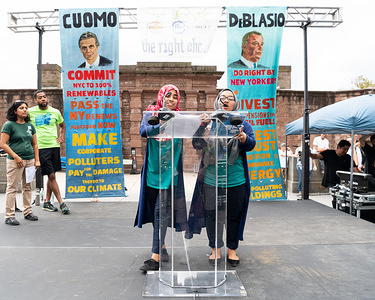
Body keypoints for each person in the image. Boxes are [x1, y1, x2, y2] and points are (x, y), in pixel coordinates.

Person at [186, 88, 256, 267]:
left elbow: (251, 144)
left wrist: (243, 138)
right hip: (211, 179)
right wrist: (202, 128)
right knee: (212, 215)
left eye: (230, 98)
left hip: (235, 179)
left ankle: (232, 250)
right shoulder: (209, 122)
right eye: (222, 97)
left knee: (233, 216)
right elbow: (196, 143)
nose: (225, 100)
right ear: (217, 102)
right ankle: (215, 249)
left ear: (235, 103)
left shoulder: (241, 121)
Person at [134, 84, 187, 272]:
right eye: (168, 95)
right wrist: (162, 124)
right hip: (152, 170)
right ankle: (161, 244)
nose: (171, 99)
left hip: (169, 172)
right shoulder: (150, 113)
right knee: (156, 211)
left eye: (175, 96)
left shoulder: (181, 118)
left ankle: (155, 257)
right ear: (161, 96)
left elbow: (196, 134)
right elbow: (143, 132)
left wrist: (203, 123)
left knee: (160, 211)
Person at [28, 90, 69, 214]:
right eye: (40, 98)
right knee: (51, 175)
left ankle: (46, 202)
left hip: (54, 146)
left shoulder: (55, 112)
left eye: (45, 97)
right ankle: (61, 203)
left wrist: (61, 137)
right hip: (40, 147)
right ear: (36, 100)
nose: (43, 99)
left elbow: (63, 125)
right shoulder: (30, 112)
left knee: (52, 175)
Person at [0, 101, 40, 225]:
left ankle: (28, 212)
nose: (25, 110)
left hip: (30, 160)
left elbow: (34, 144)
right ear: (15, 111)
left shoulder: (30, 125)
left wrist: (37, 160)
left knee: (27, 187)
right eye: (21, 108)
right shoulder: (9, 125)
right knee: (12, 188)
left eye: (26, 108)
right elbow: (3, 144)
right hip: (15, 161)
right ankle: (9, 216)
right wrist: (16, 157)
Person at [310, 140, 359, 207]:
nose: (345, 151)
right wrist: (309, 154)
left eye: (347, 150)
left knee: (343, 197)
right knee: (336, 196)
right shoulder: (328, 153)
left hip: (343, 182)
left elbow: (355, 169)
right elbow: (316, 156)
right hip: (330, 181)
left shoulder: (348, 158)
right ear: (338, 147)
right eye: (344, 149)